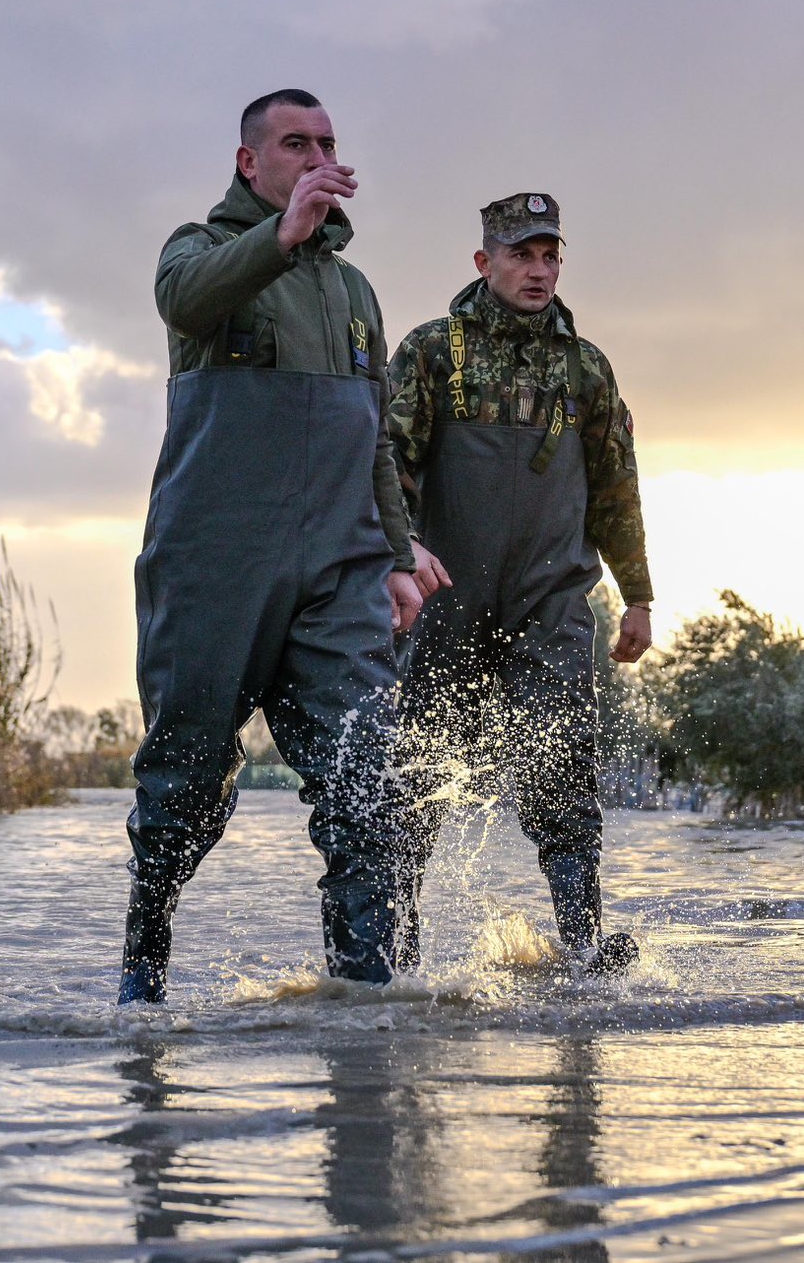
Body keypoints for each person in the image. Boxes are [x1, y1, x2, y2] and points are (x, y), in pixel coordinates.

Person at [118, 88, 425, 1002]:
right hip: (217, 563)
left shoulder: (354, 290)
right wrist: (281, 236)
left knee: (368, 782)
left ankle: (365, 1001)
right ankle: (144, 972)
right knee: (186, 780)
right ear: (251, 162)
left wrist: (400, 558)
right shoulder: (199, 249)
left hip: (338, 572)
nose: (317, 156)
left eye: (327, 142)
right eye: (296, 143)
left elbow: (373, 435)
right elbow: (185, 303)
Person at [384, 193, 653, 972]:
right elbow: (387, 468)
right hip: (444, 600)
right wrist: (398, 559)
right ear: (484, 263)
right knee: (416, 777)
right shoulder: (433, 352)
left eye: (549, 255)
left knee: (564, 767)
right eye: (520, 255)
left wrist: (638, 596)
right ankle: (394, 959)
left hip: (551, 600)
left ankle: (580, 947)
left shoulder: (586, 367)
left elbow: (616, 488)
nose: (539, 271)